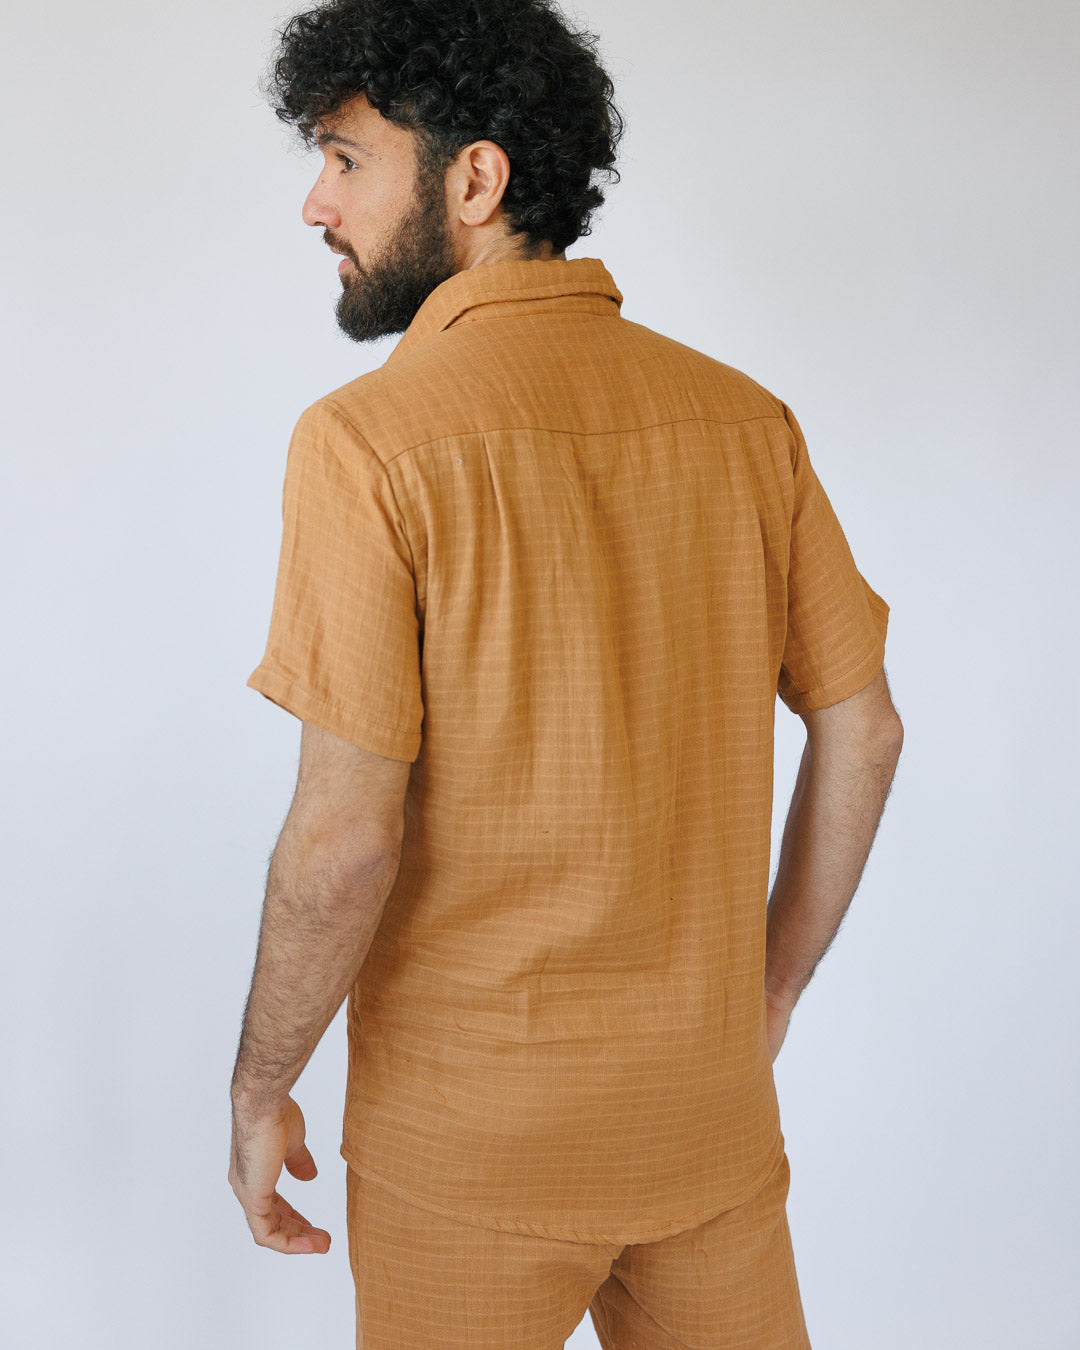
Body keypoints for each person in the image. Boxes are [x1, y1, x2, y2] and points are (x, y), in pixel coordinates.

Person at [227, 1, 905, 1346]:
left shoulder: (366, 444)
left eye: (346, 158)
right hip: (706, 1125)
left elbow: (343, 842)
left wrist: (261, 1083)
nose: (316, 202)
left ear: (475, 179)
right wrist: (767, 993)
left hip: (468, 1148)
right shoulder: (744, 420)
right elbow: (865, 727)